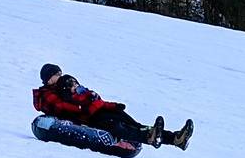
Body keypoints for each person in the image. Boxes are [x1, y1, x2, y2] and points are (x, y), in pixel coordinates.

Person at [33, 63, 194, 150]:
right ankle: (150, 138)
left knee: (135, 125)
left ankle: (175, 138)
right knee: (119, 127)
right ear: (48, 78)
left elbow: (92, 98)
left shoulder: (67, 86)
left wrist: (112, 105)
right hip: (91, 117)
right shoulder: (48, 94)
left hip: (100, 110)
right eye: (56, 75)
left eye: (60, 74)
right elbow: (65, 107)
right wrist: (87, 107)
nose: (59, 77)